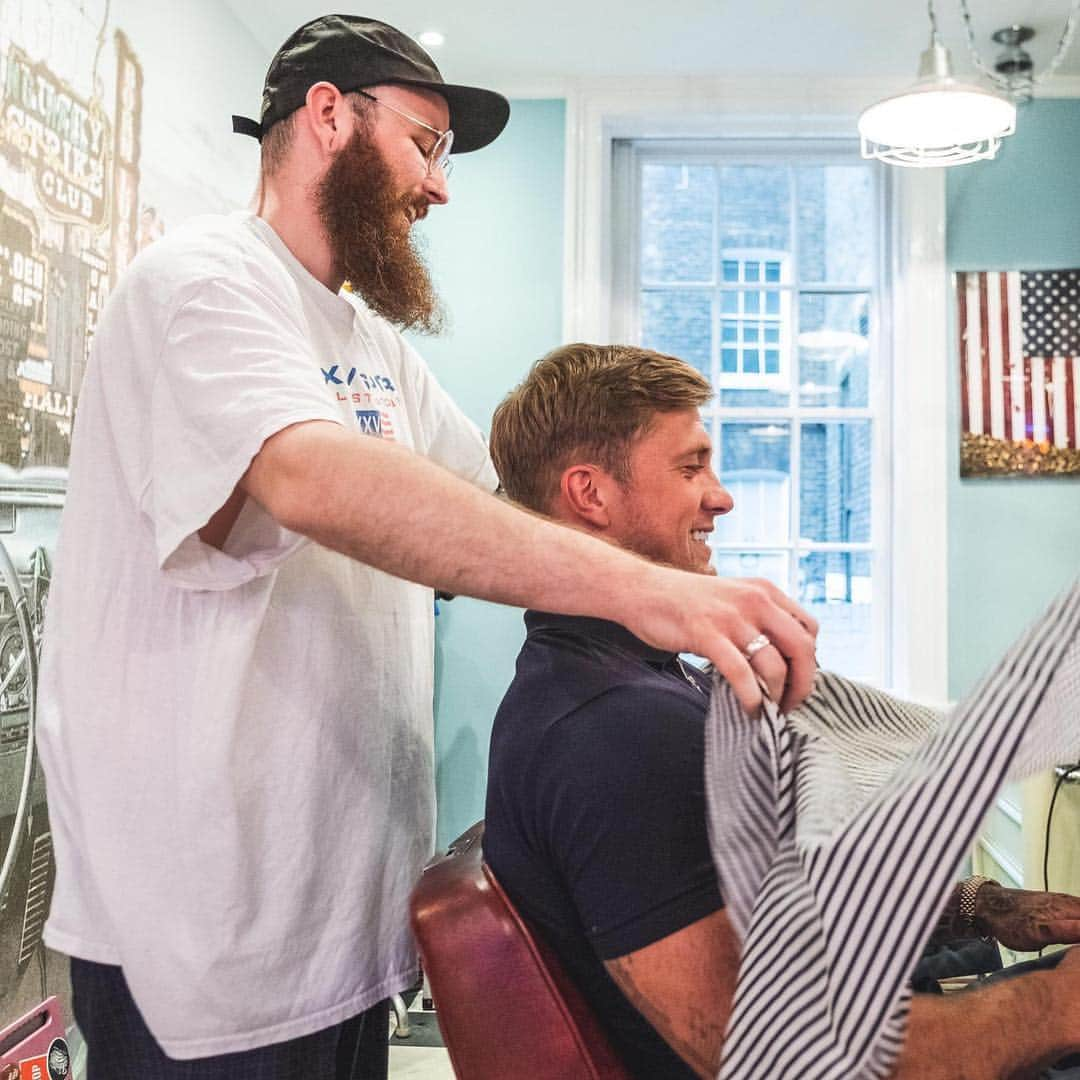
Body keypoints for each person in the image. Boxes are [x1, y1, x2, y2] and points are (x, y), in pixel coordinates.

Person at [34, 16, 819, 1080]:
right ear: (327, 115)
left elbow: (513, 510)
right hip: (204, 946)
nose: (440, 189)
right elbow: (310, 477)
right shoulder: (202, 284)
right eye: (426, 143)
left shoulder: (372, 352)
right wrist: (658, 598)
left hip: (343, 938)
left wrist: (665, 522)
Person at [483, 341, 1080, 1080]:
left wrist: (977, 908)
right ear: (591, 495)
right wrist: (1058, 1004)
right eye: (690, 466)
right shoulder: (613, 731)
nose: (722, 495)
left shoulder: (636, 682)